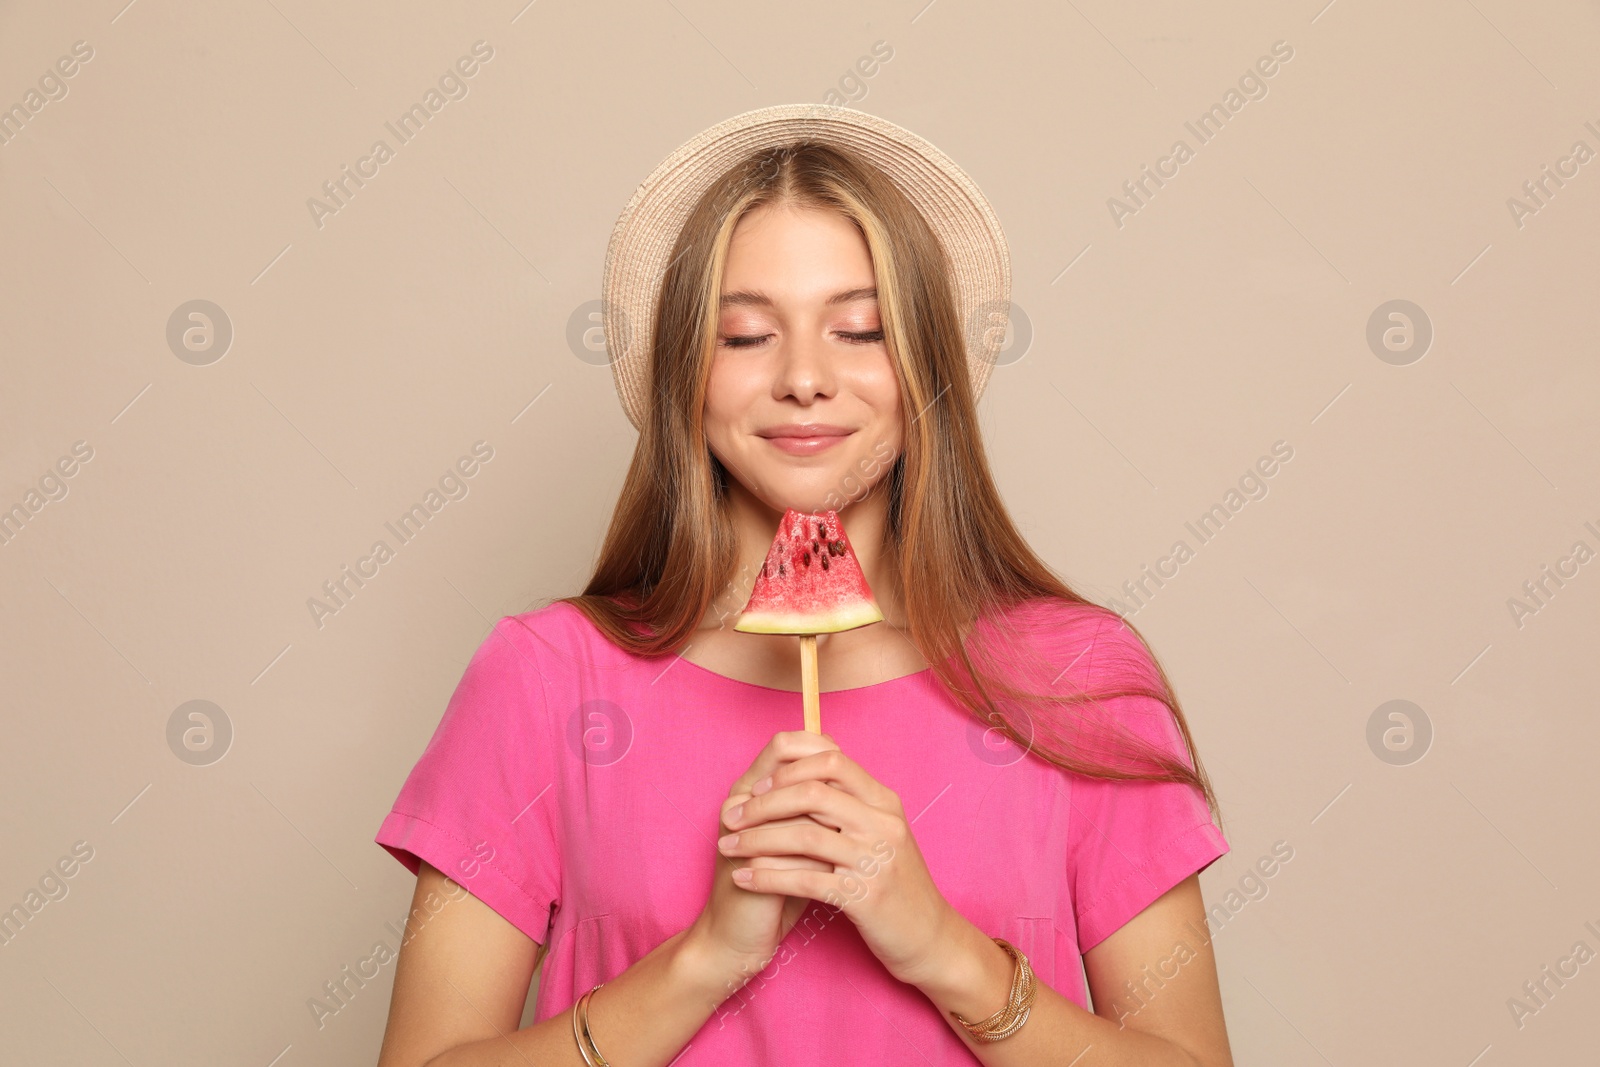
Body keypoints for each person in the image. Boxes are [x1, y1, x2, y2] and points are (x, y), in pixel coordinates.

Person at [372, 103, 1234, 1067]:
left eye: (859, 330)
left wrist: (943, 949)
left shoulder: (1079, 674)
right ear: (684, 378)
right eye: (745, 337)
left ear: (924, 369)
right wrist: (706, 957)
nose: (805, 379)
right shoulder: (544, 678)